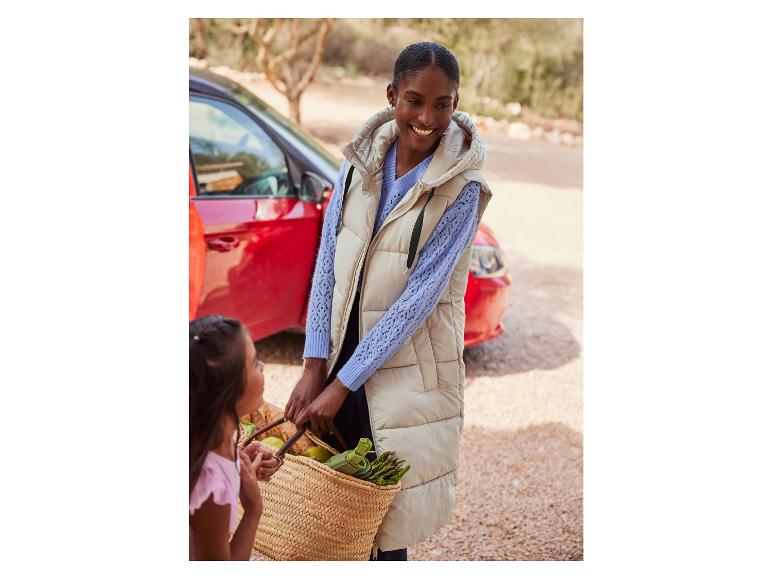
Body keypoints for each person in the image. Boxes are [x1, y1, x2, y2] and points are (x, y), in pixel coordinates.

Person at [286, 42, 492, 560]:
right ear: (392, 95)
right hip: (337, 359)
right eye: (415, 101)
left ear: (456, 103)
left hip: (400, 369)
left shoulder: (462, 187)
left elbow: (418, 301)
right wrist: (316, 365)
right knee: (331, 513)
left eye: (442, 105)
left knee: (382, 521)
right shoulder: (358, 165)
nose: (427, 119)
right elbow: (328, 263)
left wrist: (343, 385)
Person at [189, 315, 283, 560]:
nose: (262, 367)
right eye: (254, 363)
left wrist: (238, 467)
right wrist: (253, 509)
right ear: (228, 391)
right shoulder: (210, 485)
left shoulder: (213, 441)